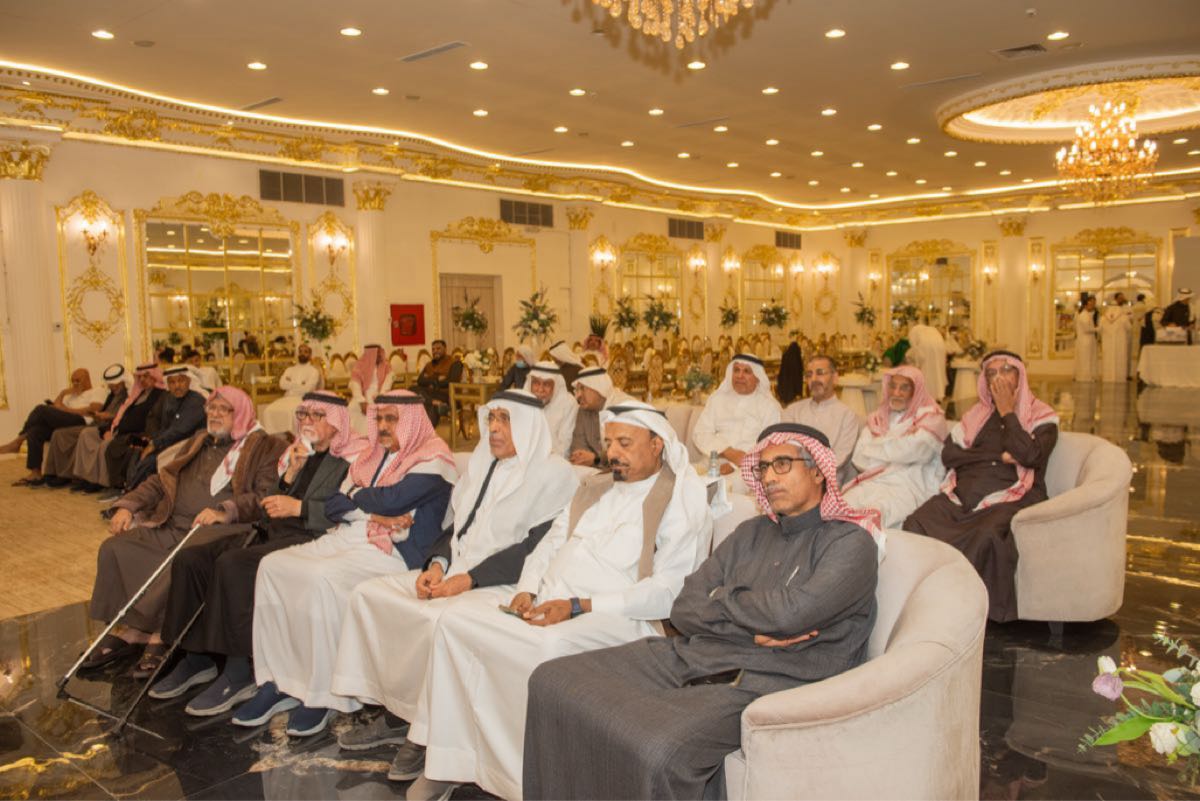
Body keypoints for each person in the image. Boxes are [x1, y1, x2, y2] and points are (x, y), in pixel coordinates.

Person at [523, 423, 880, 800]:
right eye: (764, 467)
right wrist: (747, 615)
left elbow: (790, 615)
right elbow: (684, 608)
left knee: (656, 748)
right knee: (552, 680)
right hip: (694, 655)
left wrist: (720, 599)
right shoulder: (750, 533)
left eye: (782, 464)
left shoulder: (851, 543)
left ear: (818, 471)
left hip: (765, 680)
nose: (770, 477)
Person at [394, 401, 713, 800]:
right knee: (455, 625)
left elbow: (668, 593)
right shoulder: (597, 487)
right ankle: (449, 760)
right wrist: (527, 589)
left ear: (657, 444)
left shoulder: (680, 499)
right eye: (609, 442)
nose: (613, 453)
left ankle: (526, 779)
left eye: (625, 443)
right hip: (550, 601)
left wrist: (580, 605)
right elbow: (549, 543)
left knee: (546, 647)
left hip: (621, 618)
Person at [325, 391, 582, 783]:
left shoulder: (554, 474)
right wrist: (438, 564)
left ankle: (426, 735)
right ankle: (398, 712)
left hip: (503, 581)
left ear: (528, 426)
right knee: (369, 596)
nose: (494, 428)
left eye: (505, 419)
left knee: (439, 623)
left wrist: (469, 579)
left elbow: (536, 547)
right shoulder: (482, 462)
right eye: (491, 418)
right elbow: (457, 526)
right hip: (456, 570)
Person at [234, 390, 461, 736]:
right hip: (349, 536)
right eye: (379, 418)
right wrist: (373, 512)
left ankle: (325, 693)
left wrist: (359, 499)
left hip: (395, 552)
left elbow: (394, 499)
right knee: (272, 567)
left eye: (391, 419)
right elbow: (333, 505)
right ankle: (280, 680)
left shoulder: (434, 458)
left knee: (322, 578)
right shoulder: (371, 456)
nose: (382, 426)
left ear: (411, 421)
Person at [147, 391, 361, 715]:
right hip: (272, 531)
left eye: (316, 415)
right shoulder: (298, 453)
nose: (306, 422)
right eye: (302, 414)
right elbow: (268, 502)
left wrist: (300, 508)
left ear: (335, 422)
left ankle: (240, 670)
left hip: (312, 537)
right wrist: (289, 476)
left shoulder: (352, 459)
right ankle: (195, 656)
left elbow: (350, 510)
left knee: (233, 566)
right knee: (191, 560)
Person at [82, 387, 286, 677]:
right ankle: (133, 627)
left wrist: (225, 510)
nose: (215, 415)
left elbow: (265, 496)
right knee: (116, 548)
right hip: (174, 523)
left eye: (223, 409)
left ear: (240, 412)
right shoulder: (199, 440)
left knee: (183, 557)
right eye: (211, 408)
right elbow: (162, 480)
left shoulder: (266, 446)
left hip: (223, 529)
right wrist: (127, 506)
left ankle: (161, 633)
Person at [903, 350, 1058, 622]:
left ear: (1020, 375)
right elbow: (950, 455)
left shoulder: (1041, 416)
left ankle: (968, 611)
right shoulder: (975, 415)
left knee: (987, 534)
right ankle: (924, 600)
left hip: (1013, 494)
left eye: (1005, 371)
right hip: (963, 494)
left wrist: (1008, 412)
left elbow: (1031, 455)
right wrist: (998, 456)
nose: (998, 378)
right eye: (991, 373)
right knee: (917, 522)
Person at [842, 366, 948, 528]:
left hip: (910, 486)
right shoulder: (878, 417)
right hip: (874, 481)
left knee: (874, 516)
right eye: (893, 386)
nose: (896, 393)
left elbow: (918, 452)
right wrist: (900, 446)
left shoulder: (931, 417)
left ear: (916, 391)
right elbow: (859, 458)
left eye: (904, 387)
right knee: (842, 506)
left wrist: (876, 446)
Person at [107, 365, 207, 499]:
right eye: (172, 382)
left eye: (181, 381)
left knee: (152, 460)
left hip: (190, 444)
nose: (177, 386)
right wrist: (150, 441)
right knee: (137, 451)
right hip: (170, 441)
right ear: (168, 384)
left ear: (189, 381)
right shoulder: (170, 399)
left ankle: (135, 497)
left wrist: (154, 444)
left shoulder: (196, 401)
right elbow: (164, 426)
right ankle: (131, 493)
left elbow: (179, 430)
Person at [1, 368, 109, 486]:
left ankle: (18, 441)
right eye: (73, 381)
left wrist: (66, 409)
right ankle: (36, 473)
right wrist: (63, 393)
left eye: (78, 380)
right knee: (35, 431)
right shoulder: (71, 395)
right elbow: (56, 407)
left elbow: (93, 410)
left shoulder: (97, 391)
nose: (75, 384)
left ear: (87, 379)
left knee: (40, 409)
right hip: (66, 420)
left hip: (81, 420)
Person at [72, 363, 166, 495]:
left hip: (137, 434)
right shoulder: (138, 394)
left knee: (106, 446)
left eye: (146, 376)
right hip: (118, 428)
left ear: (155, 376)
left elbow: (144, 421)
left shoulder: (160, 395)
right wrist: (110, 429)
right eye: (140, 377)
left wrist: (116, 431)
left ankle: (106, 484)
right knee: (86, 434)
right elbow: (123, 415)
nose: (143, 380)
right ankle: (86, 478)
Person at [691, 354, 782, 482]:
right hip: (712, 460)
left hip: (747, 467)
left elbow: (769, 444)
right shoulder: (718, 399)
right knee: (684, 477)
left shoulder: (769, 406)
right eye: (736, 370)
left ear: (758, 377)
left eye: (747, 371)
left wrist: (734, 465)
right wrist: (727, 452)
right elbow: (700, 433)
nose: (740, 376)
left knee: (722, 485)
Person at [42, 364, 129, 488]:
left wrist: (108, 417)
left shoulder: (126, 395)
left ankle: (82, 478)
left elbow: (123, 415)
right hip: (98, 423)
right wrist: (63, 393)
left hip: (107, 426)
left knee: (85, 434)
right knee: (58, 433)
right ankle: (55, 473)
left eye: (116, 384)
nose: (113, 387)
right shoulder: (112, 395)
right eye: (111, 385)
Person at [781, 355, 861, 486]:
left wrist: (809, 477)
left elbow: (839, 459)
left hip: (828, 483)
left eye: (820, 373)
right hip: (792, 479)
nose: (813, 379)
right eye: (809, 375)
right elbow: (784, 448)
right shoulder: (792, 411)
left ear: (835, 378)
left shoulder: (847, 416)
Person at [260, 343, 323, 434]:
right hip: (287, 398)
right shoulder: (290, 369)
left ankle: (291, 437)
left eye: (305, 352)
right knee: (268, 411)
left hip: (303, 399)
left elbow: (307, 389)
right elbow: (282, 384)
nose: (302, 354)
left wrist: (290, 384)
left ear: (310, 355)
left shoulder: (313, 371)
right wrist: (300, 384)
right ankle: (273, 437)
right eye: (300, 351)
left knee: (291, 413)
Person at [567, 367, 622, 468]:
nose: (578, 396)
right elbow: (577, 445)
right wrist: (581, 457)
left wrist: (596, 459)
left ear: (599, 387)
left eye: (583, 389)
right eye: (577, 390)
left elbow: (623, 451)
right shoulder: (584, 410)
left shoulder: (621, 408)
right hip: (594, 471)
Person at [525, 361, 577, 458]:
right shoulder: (523, 401)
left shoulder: (568, 403)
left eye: (547, 384)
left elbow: (564, 447)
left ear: (556, 386)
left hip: (555, 460)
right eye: (536, 383)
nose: (540, 390)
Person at [413, 340, 463, 426]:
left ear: (445, 349)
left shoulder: (455, 363)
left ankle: (434, 403)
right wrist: (437, 379)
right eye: (433, 349)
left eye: (438, 348)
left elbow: (451, 381)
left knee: (425, 401)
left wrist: (429, 379)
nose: (435, 351)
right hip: (430, 394)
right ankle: (434, 402)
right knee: (412, 389)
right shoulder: (428, 365)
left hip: (447, 395)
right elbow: (420, 381)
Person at [350, 344, 394, 434]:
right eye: (377, 353)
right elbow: (355, 385)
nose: (380, 355)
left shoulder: (386, 365)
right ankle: (357, 437)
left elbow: (387, 384)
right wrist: (361, 401)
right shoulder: (359, 365)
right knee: (352, 408)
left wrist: (380, 397)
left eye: (380, 352)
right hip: (362, 396)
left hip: (380, 396)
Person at [907, 322, 948, 402]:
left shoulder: (916, 332)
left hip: (924, 372)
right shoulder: (934, 335)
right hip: (934, 372)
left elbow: (918, 358)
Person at [1100, 293, 1132, 382]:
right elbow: (1129, 328)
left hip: (1107, 344)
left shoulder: (1103, 318)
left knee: (1108, 359)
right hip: (1120, 343)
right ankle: (1119, 377)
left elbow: (1100, 329)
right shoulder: (1123, 317)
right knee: (1120, 359)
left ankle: (1108, 377)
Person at [1074, 296, 1099, 382]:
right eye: (1091, 304)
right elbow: (1087, 329)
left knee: (1088, 359)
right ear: (1086, 305)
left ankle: (1089, 376)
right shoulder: (1083, 315)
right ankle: (1085, 377)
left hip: (1088, 340)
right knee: (1085, 359)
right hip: (1085, 341)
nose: (1093, 305)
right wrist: (1098, 329)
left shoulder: (1087, 314)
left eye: (1094, 303)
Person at [776, 341, 804, 405]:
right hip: (794, 380)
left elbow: (782, 368)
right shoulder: (797, 356)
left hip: (785, 378)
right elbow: (800, 369)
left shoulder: (785, 355)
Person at [1130, 293, 1149, 376]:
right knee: (1140, 347)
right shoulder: (1145, 307)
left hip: (1134, 327)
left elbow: (1131, 318)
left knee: (1134, 348)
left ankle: (1133, 371)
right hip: (1142, 328)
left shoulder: (1133, 307)